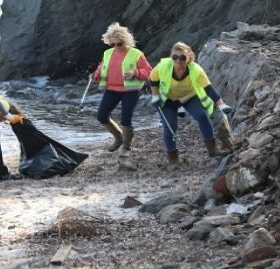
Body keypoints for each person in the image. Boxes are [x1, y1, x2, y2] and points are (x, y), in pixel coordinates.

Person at [149, 42, 233, 164]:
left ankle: (213, 150)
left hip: (189, 97)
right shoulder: (163, 66)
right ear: (171, 57)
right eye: (175, 57)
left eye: (182, 57)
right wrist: (155, 97)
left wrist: (221, 105)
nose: (178, 60)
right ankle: (173, 159)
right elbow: (153, 80)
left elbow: (208, 89)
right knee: (170, 126)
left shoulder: (196, 70)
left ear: (189, 57)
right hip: (168, 100)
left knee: (202, 116)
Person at [93, 22, 152, 155]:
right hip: (111, 89)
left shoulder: (136, 53)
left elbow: (148, 71)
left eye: (119, 44)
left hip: (130, 91)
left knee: (126, 119)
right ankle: (118, 138)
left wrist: (135, 73)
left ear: (126, 41)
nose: (116, 47)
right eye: (112, 44)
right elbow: (101, 69)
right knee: (102, 116)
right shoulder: (107, 53)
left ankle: (126, 147)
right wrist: (95, 76)